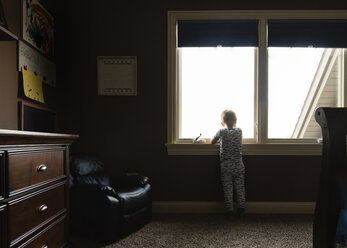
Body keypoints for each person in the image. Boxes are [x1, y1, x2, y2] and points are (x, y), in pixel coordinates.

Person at [211, 109, 245, 219]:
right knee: (240, 188)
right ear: (236, 120)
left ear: (222, 123)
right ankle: (241, 209)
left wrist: (219, 141)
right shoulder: (239, 131)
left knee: (228, 189)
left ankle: (229, 211)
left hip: (226, 166)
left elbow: (212, 141)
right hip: (238, 165)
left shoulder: (221, 132)